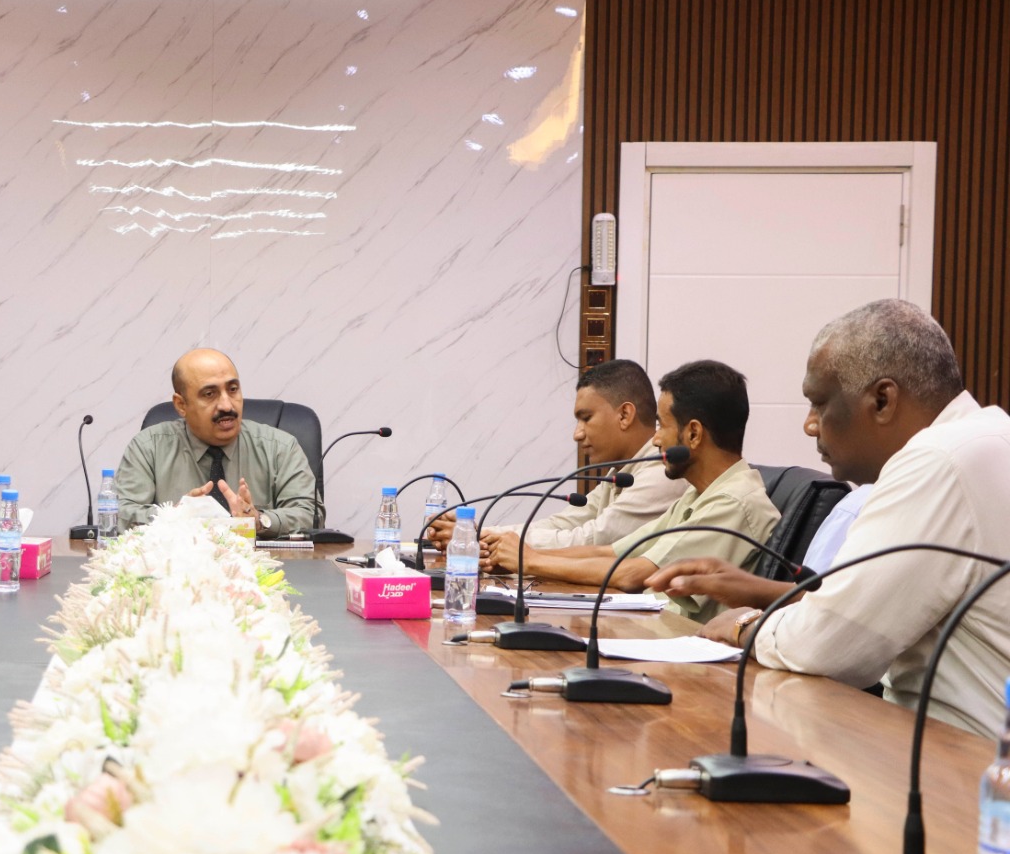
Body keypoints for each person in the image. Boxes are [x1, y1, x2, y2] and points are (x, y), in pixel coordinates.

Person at [647, 300, 1010, 737]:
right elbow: (866, 607)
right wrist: (763, 593)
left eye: (819, 403)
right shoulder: (983, 439)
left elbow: (830, 647)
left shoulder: (937, 460)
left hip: (966, 765)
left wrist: (744, 626)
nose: (810, 425)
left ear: (882, 400)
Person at [480, 359, 779, 622]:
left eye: (662, 426)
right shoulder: (698, 493)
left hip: (684, 649)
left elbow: (633, 573)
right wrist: (520, 556)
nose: (656, 439)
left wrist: (531, 561)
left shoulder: (733, 501)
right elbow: (608, 551)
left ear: (693, 433)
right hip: (651, 629)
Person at [427, 358, 685, 550]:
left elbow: (591, 540)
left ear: (624, 415)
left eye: (586, 418)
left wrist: (478, 538)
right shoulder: (621, 472)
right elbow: (564, 523)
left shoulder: (661, 473)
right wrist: (477, 532)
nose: (577, 434)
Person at [114, 348, 318, 537]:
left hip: (261, 563)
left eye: (233, 389)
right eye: (209, 394)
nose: (226, 405)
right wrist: (175, 517)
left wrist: (258, 520)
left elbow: (309, 515)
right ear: (181, 405)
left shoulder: (280, 448)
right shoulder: (148, 448)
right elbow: (121, 515)